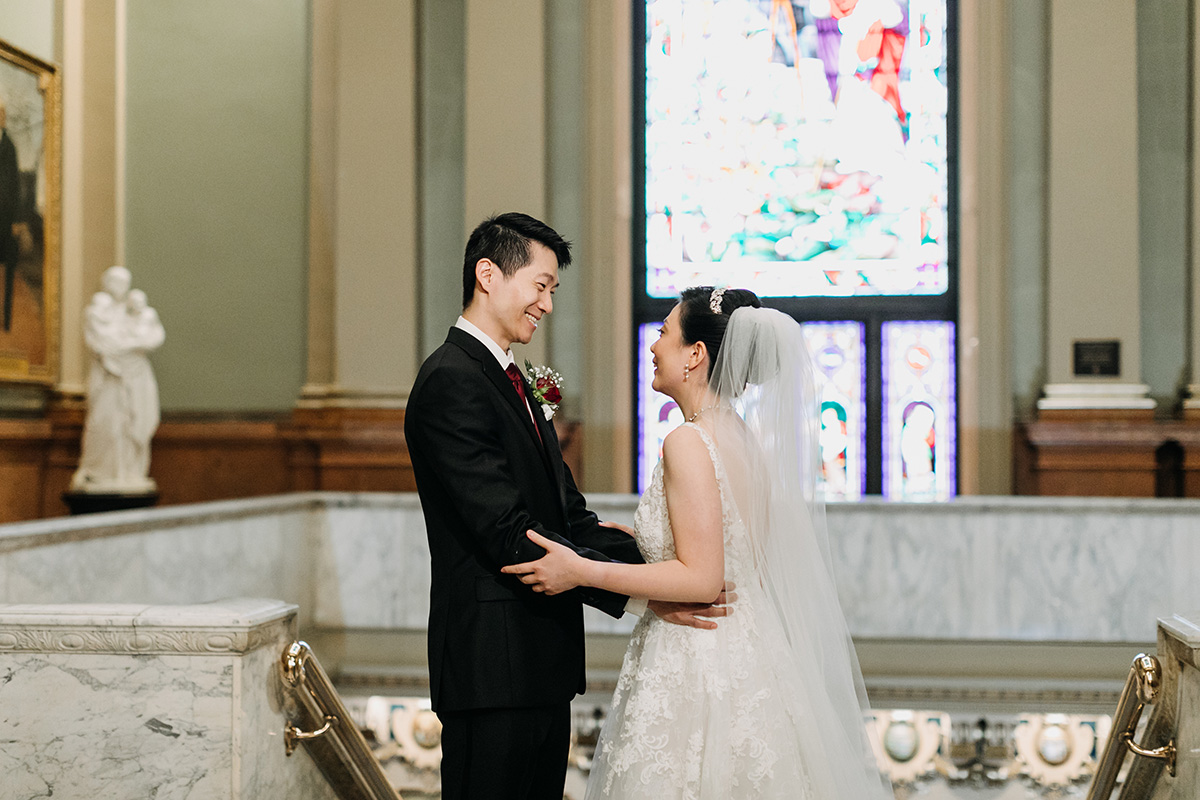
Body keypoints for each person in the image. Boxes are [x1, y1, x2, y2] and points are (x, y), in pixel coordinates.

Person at [504, 287, 895, 799]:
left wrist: (582, 570)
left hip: (698, 656)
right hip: (751, 652)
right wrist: (638, 541)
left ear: (696, 354)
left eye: (664, 333)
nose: (653, 346)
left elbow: (702, 577)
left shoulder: (687, 440)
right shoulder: (740, 436)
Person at [404, 213, 731, 800]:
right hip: (492, 669)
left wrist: (674, 574)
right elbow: (508, 532)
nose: (547, 305)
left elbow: (570, 518)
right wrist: (644, 591)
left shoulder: (512, 380)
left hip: (538, 666)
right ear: (488, 275)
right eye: (541, 285)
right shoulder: (450, 380)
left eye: (552, 291)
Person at [71, 267, 164, 494]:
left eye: (125, 282)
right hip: (109, 378)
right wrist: (128, 347)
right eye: (116, 282)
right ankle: (98, 471)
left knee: (132, 421)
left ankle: (129, 472)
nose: (120, 287)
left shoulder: (134, 309)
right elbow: (101, 343)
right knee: (105, 422)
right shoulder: (98, 309)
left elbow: (154, 336)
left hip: (134, 377)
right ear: (107, 283)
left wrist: (129, 346)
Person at [0, 96, 19, 332]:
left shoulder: (10, 146)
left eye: (2, 115)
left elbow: (15, 184)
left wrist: (16, 220)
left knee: (8, 269)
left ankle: (6, 320)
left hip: (4, 220)